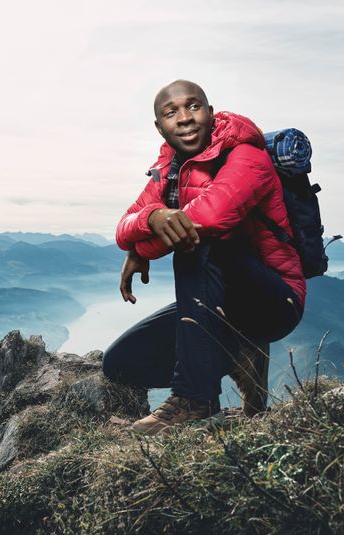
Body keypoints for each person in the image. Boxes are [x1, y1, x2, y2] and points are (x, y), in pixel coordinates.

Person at [102, 79, 306, 435]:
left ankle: (196, 400)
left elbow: (203, 221)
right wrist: (151, 218)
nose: (184, 118)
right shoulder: (168, 171)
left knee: (197, 245)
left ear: (210, 114)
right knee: (120, 363)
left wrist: (143, 248)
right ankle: (244, 352)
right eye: (171, 112)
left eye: (193, 107)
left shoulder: (247, 156)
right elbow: (123, 226)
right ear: (160, 126)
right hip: (219, 304)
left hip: (275, 300)